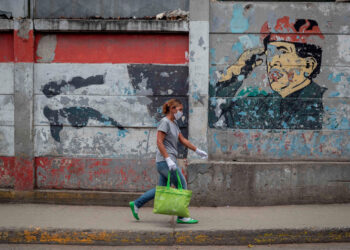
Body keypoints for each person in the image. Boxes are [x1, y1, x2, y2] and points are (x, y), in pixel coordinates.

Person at [212, 17, 327, 130]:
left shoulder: (321, 106)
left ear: (308, 65)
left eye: (282, 51)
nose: (273, 61)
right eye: (270, 52)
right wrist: (236, 73)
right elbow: (215, 117)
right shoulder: (262, 105)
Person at [129, 98, 208, 224]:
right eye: (180, 110)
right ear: (172, 109)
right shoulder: (164, 122)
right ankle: (182, 216)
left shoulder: (174, 123)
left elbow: (182, 139)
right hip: (165, 162)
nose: (181, 112)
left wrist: (197, 150)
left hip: (168, 161)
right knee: (182, 185)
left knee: (161, 189)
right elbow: (159, 142)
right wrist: (167, 159)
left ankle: (136, 204)